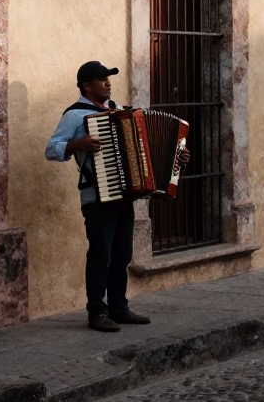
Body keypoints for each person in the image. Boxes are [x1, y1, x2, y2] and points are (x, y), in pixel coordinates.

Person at [45, 60, 188, 332]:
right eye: (102, 79)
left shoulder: (119, 111)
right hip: (97, 197)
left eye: (109, 78)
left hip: (122, 195)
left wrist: (178, 159)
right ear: (87, 85)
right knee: (101, 255)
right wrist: (77, 144)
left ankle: (119, 308)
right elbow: (51, 150)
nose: (108, 83)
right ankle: (96, 312)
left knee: (122, 254)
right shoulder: (75, 116)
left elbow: (144, 152)